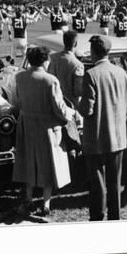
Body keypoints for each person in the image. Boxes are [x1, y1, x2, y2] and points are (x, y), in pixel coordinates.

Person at [11, 46, 75, 216]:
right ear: (45, 60)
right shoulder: (50, 80)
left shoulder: (20, 77)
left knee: (28, 163)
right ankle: (46, 204)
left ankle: (29, 199)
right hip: (47, 127)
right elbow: (59, 108)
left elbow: (17, 101)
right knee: (49, 165)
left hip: (27, 125)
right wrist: (71, 113)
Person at [78, 35, 127, 221]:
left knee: (97, 183)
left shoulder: (91, 74)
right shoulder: (121, 72)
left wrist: (78, 105)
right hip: (118, 137)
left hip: (97, 139)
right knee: (115, 183)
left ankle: (98, 217)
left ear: (93, 52)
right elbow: (126, 106)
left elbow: (87, 109)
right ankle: (115, 217)